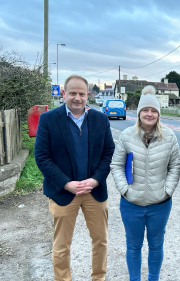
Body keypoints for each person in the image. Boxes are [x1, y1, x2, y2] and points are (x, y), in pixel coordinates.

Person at [34, 75, 115, 281]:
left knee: (100, 241)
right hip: (63, 192)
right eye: (72, 93)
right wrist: (65, 183)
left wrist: (96, 180)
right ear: (64, 94)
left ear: (87, 95)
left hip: (94, 191)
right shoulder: (48, 119)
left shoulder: (101, 119)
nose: (77, 98)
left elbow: (108, 153)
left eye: (81, 94)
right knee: (61, 245)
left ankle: (99, 278)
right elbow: (42, 157)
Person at [110, 85, 180, 281]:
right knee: (133, 245)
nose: (149, 114)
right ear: (139, 112)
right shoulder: (127, 136)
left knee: (156, 245)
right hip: (131, 203)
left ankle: (153, 278)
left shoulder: (169, 136)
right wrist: (124, 189)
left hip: (159, 204)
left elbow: (176, 165)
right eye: (145, 110)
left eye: (153, 111)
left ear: (158, 113)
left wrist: (167, 190)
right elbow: (116, 165)